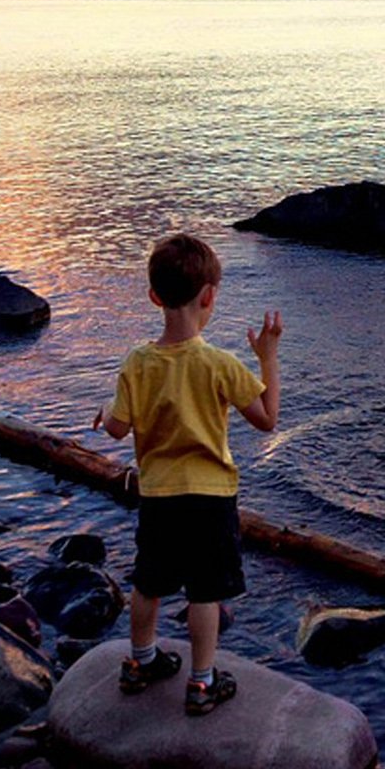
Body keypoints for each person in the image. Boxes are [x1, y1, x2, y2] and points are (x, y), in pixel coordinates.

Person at [92, 233, 281, 716]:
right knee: (205, 593)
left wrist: (105, 411)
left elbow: (116, 429)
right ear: (209, 296)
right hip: (210, 499)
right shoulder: (219, 364)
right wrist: (267, 357)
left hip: (158, 496)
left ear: (154, 296)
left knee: (149, 582)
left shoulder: (137, 362)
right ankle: (201, 682)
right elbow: (267, 419)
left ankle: (140, 662)